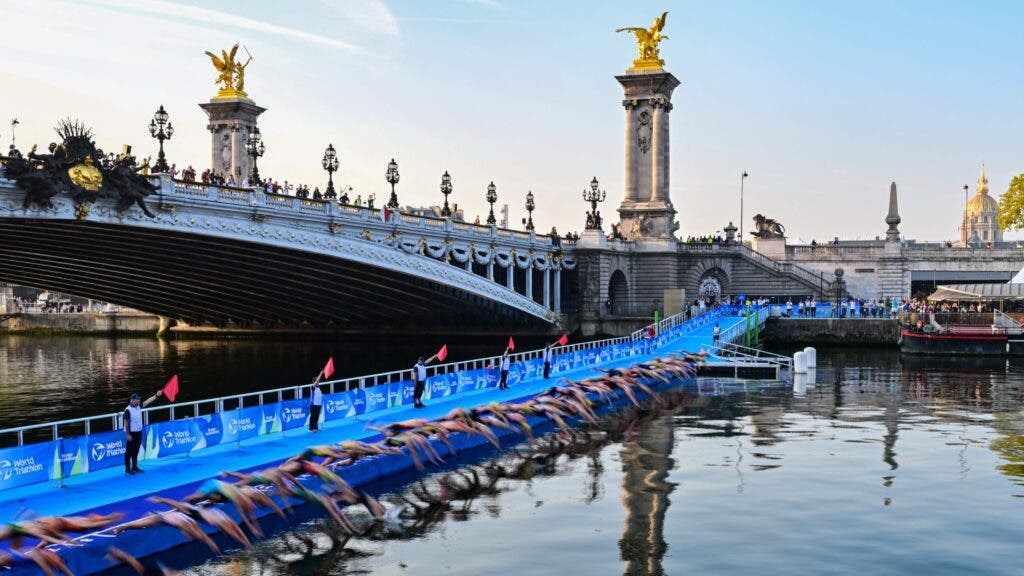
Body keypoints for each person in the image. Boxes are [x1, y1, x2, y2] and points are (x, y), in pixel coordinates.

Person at [124, 389, 163, 475]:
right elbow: (126, 423)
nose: (139, 401)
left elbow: (148, 401)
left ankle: (134, 466)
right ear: (132, 400)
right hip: (131, 433)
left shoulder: (138, 406)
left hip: (139, 432)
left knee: (136, 450)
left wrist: (156, 395)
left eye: (139, 399)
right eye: (137, 399)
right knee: (129, 452)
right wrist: (128, 434)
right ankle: (127, 468)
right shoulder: (128, 410)